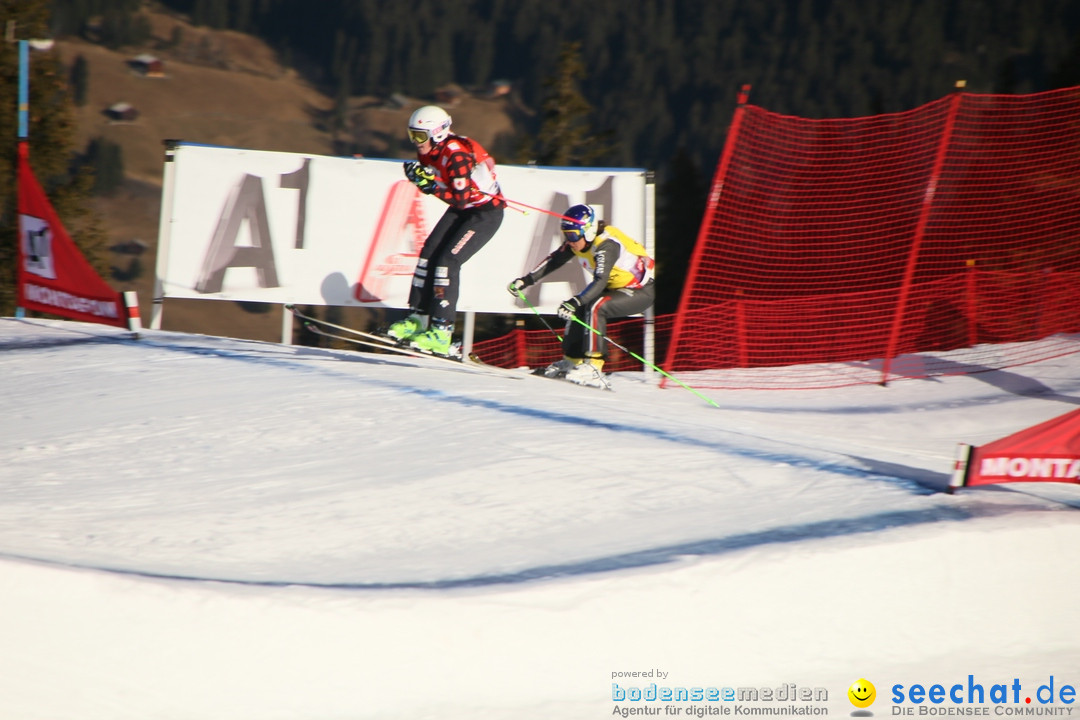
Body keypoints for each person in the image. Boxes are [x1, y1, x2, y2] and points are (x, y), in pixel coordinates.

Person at [386, 105, 506, 355]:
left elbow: (460, 199)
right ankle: (418, 318)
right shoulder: (430, 152)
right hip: (465, 209)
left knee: (447, 262)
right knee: (427, 254)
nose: (416, 142)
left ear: (437, 133)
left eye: (420, 136)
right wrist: (422, 178)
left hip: (484, 214)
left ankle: (442, 331)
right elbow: (445, 188)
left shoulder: (456, 155)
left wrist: (429, 186)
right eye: (412, 135)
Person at [506, 204, 655, 388]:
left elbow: (600, 281)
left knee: (595, 306)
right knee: (581, 306)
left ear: (589, 231)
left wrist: (575, 301)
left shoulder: (606, 245)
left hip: (641, 291)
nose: (569, 240)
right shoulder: (579, 241)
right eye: (566, 234)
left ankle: (594, 367)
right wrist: (526, 280)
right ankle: (573, 361)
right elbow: (555, 260)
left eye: (572, 234)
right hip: (615, 287)